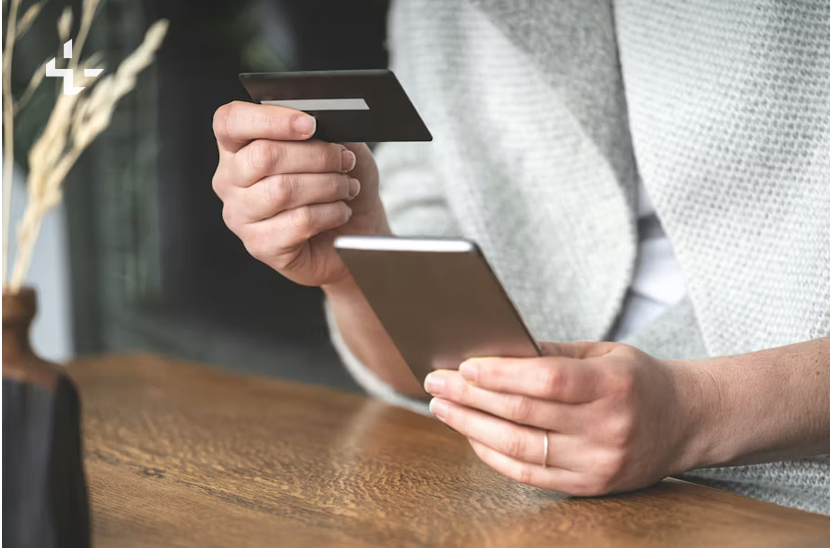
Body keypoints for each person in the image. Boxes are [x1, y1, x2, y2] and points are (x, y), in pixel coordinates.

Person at [211, 0, 830, 514]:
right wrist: (357, 265)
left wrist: (694, 414)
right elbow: (436, 371)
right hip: (509, 485)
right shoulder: (439, 12)